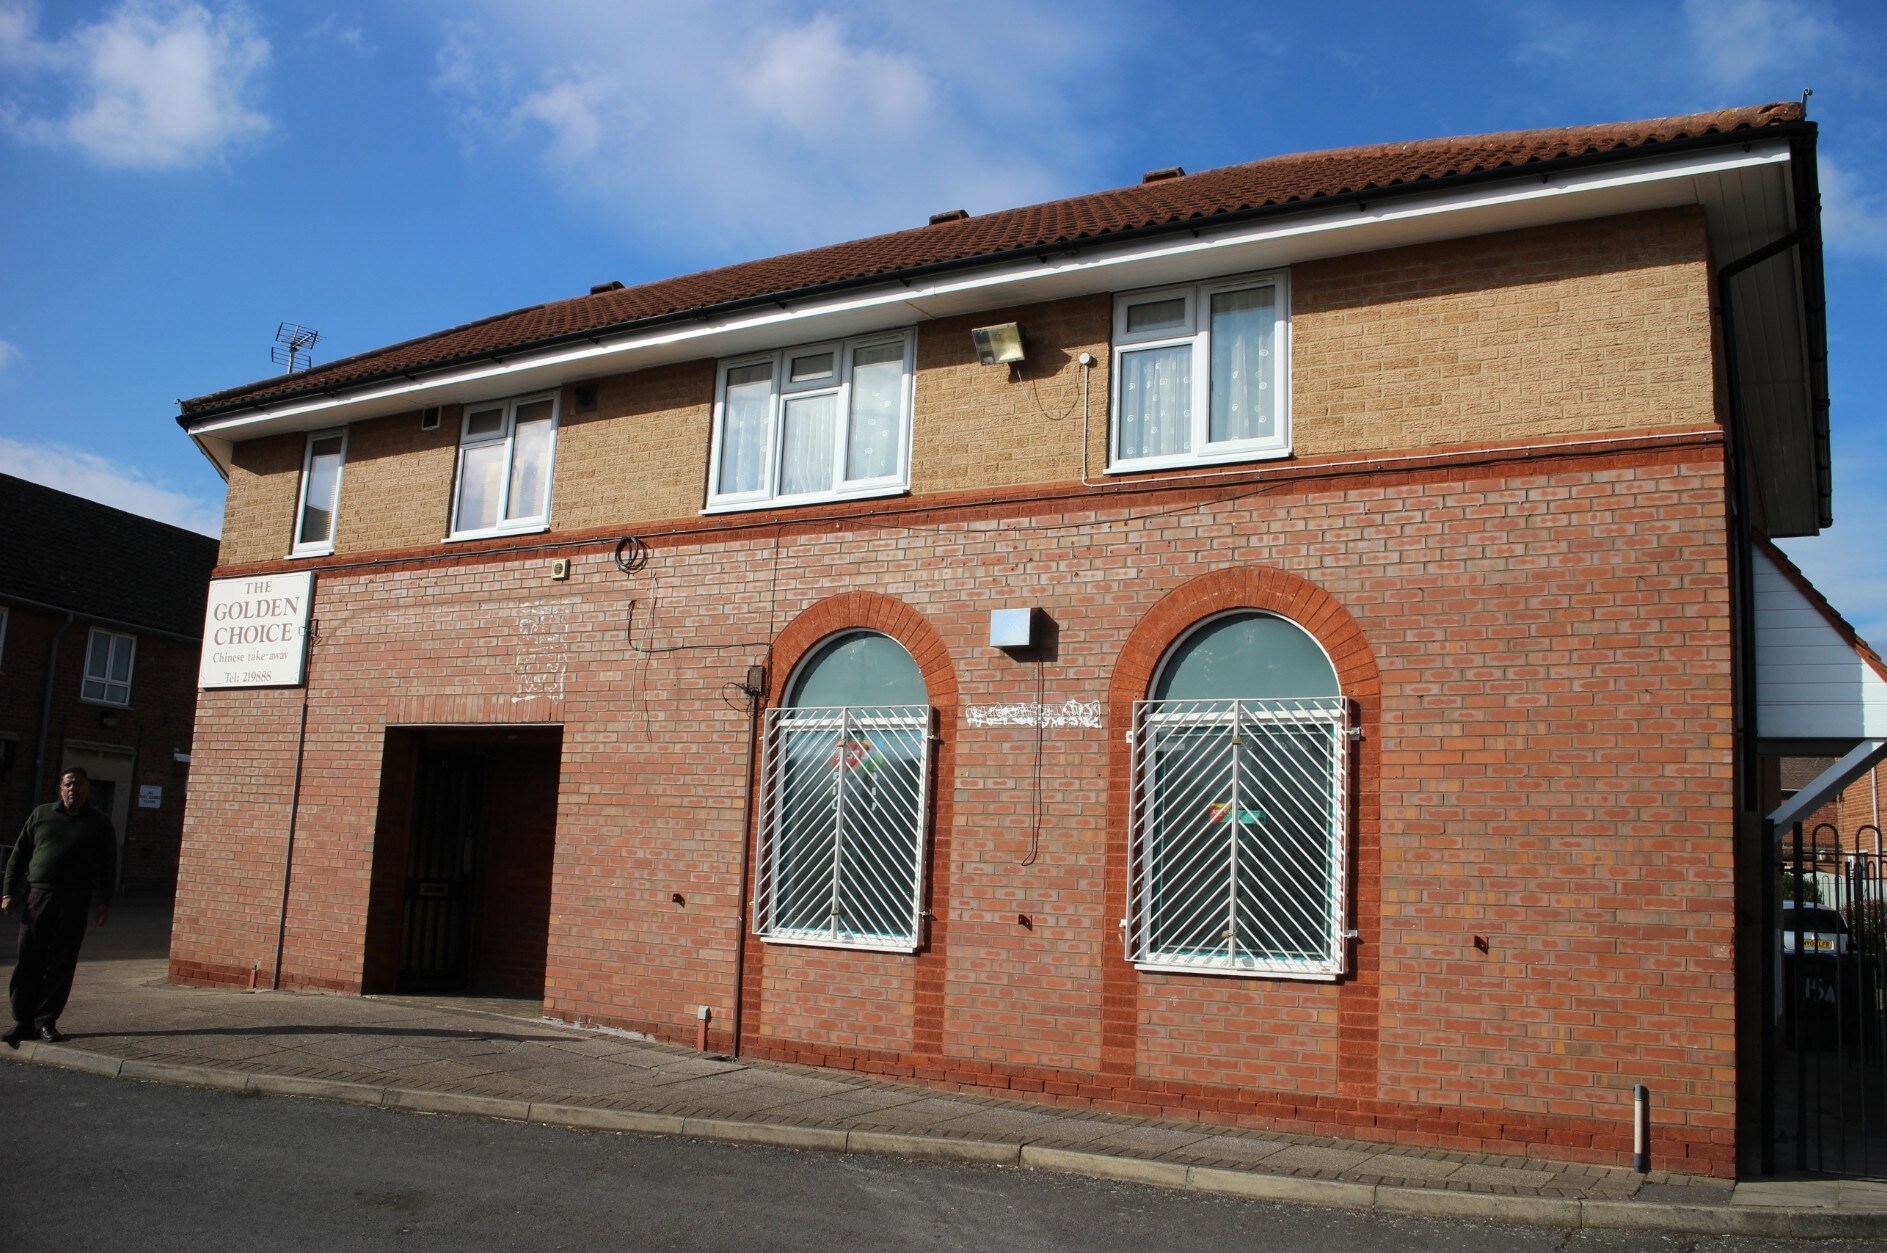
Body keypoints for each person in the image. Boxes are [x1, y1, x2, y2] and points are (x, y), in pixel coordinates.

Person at [2, 767, 115, 1047]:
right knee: (29, 958)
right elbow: (19, 854)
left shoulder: (99, 822)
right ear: (60, 788)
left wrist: (104, 902)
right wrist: (8, 893)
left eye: (78, 784)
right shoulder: (41, 815)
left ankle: (45, 1021)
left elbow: (108, 865)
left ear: (88, 788)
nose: (73, 789)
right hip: (37, 897)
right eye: (68, 784)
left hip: (74, 900)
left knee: (61, 962)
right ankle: (22, 1021)